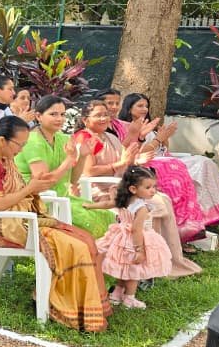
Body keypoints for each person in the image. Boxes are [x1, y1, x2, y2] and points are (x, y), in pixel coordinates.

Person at [0, 116, 111, 332]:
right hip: (4, 223)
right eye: (19, 145)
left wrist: (35, 188)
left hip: (20, 216)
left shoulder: (4, 158)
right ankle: (65, 306)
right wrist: (30, 189)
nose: (21, 150)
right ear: (2, 141)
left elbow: (18, 193)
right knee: (76, 246)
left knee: (85, 239)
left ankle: (90, 305)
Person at [73, 100, 201, 276]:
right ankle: (144, 259)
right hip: (98, 189)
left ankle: (161, 259)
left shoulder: (110, 137)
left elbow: (125, 160)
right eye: (98, 115)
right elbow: (89, 171)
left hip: (117, 184)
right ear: (85, 120)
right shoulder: (84, 138)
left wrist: (134, 154)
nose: (103, 118)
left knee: (162, 199)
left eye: (106, 115)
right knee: (153, 203)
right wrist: (121, 164)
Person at [117, 92, 219, 229]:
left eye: (146, 106)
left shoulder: (149, 125)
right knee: (200, 166)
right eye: (140, 106)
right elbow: (137, 152)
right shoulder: (126, 127)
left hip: (165, 158)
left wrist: (165, 138)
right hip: (149, 163)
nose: (145, 109)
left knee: (205, 163)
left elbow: (164, 149)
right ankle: (203, 216)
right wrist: (158, 139)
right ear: (129, 108)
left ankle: (218, 207)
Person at [15, 96, 114, 237]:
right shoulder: (32, 141)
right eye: (53, 114)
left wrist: (82, 156)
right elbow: (44, 182)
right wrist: (69, 160)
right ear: (38, 116)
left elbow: (73, 180)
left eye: (62, 114)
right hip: (39, 203)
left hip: (63, 199)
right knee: (91, 222)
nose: (59, 119)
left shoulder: (62, 138)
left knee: (107, 215)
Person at [97, 167, 174, 309]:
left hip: (121, 237)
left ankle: (116, 294)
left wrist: (90, 206)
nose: (153, 191)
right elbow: (136, 229)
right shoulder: (141, 208)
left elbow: (107, 204)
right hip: (134, 240)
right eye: (148, 187)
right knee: (134, 271)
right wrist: (139, 250)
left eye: (154, 187)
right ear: (133, 189)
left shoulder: (125, 200)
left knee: (124, 267)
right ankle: (129, 299)